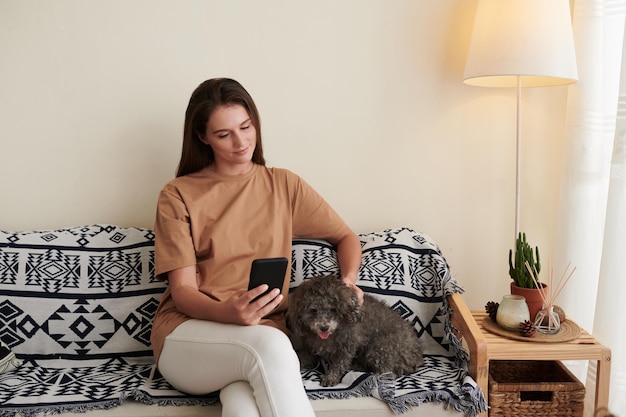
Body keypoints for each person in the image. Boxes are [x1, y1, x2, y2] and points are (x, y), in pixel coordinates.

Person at [150, 78, 363, 417]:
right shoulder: (177, 195)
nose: (240, 142)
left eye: (246, 127)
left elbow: (346, 238)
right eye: (224, 135)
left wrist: (348, 281)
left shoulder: (283, 185)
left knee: (243, 406)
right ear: (203, 137)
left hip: (255, 339)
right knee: (273, 345)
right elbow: (183, 292)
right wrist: (226, 312)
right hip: (188, 336)